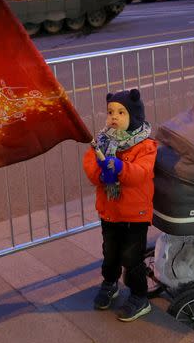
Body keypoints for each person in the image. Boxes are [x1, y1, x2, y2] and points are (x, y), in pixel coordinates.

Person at [83, 89, 157, 322]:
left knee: (131, 257)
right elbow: (89, 165)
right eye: (110, 112)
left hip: (136, 213)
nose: (114, 116)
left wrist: (121, 168)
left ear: (133, 116)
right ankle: (110, 282)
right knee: (110, 251)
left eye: (121, 112)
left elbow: (141, 173)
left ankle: (139, 295)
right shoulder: (101, 142)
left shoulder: (145, 145)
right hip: (111, 210)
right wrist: (101, 174)